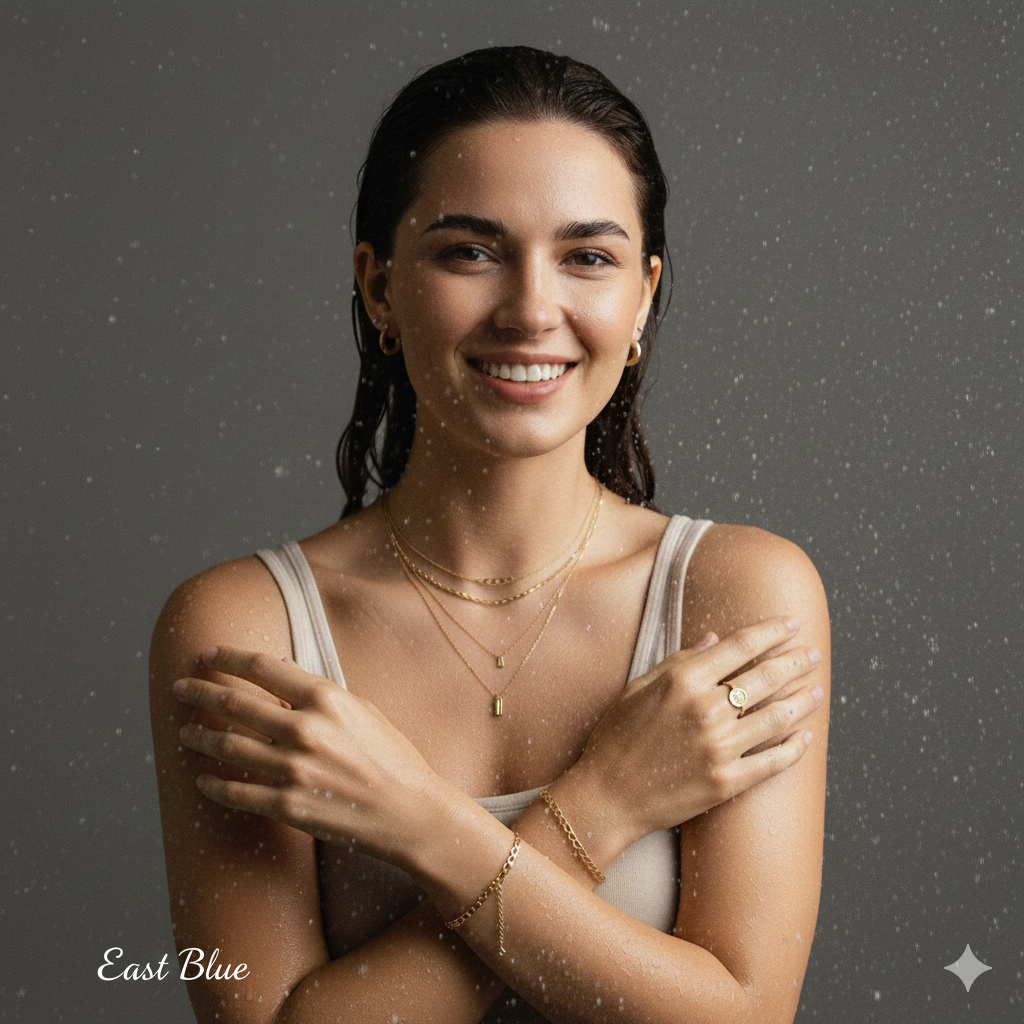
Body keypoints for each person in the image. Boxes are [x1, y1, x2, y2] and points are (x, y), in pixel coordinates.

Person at [150, 46, 830, 1024]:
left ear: (640, 297)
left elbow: (743, 1017)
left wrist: (420, 822)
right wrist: (602, 804)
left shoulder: (737, 594)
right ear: (379, 288)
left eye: (586, 257)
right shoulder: (242, 624)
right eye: (468, 251)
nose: (529, 310)